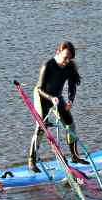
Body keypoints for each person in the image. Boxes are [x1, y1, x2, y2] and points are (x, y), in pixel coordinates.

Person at [28, 41, 89, 173]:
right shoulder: (48, 66)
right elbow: (39, 89)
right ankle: (32, 161)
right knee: (41, 127)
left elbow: (72, 87)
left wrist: (70, 101)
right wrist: (51, 98)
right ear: (58, 52)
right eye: (65, 57)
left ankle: (74, 156)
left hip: (57, 97)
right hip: (42, 97)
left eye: (69, 58)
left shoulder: (70, 67)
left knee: (70, 125)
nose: (67, 61)